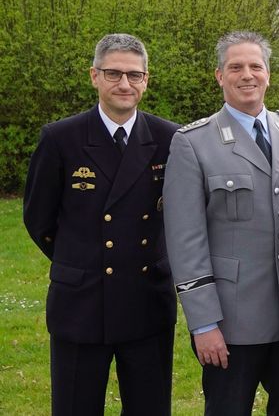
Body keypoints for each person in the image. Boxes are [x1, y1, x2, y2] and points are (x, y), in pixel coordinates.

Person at [23, 33, 179, 415]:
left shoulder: (170, 138)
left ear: (146, 80)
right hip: (81, 302)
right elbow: (38, 217)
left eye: (134, 75)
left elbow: (182, 218)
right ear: (94, 76)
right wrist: (79, 260)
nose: (124, 83)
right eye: (113, 73)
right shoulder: (61, 137)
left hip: (146, 301)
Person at [163, 31, 279, 416]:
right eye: (236, 67)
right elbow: (185, 241)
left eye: (255, 66)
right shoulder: (193, 143)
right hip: (232, 323)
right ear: (219, 76)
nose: (247, 75)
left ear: (268, 73)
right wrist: (203, 324)